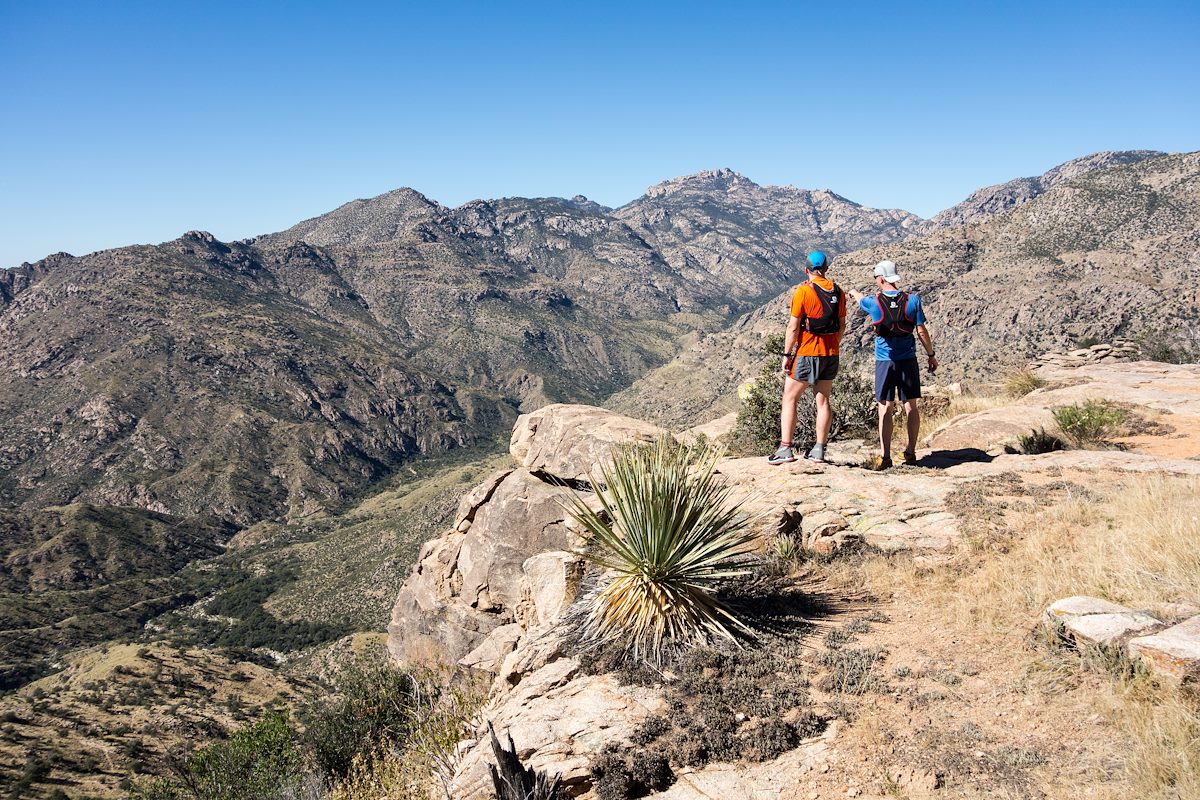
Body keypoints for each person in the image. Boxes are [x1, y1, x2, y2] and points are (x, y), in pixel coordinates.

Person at [847, 260, 938, 468]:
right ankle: (911, 453)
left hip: (885, 361)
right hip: (908, 359)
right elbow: (921, 331)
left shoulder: (873, 302)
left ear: (880, 279)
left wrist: (853, 292)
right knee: (910, 406)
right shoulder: (913, 301)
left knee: (885, 407)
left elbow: (861, 300)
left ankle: (885, 456)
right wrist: (931, 355)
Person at [767, 251, 846, 465]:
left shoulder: (803, 292)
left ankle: (785, 448)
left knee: (790, 397)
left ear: (806, 270)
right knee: (823, 400)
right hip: (831, 353)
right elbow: (841, 325)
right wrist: (833, 344)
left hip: (807, 352)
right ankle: (819, 450)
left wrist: (786, 354)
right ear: (826, 268)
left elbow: (793, 327)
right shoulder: (838, 292)